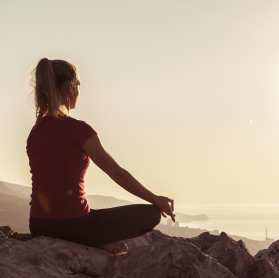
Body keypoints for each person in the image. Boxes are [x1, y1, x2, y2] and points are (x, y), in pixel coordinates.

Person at [26, 58, 175, 254]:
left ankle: (96, 240)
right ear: (71, 88)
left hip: (38, 225)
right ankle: (97, 242)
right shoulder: (80, 130)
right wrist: (156, 200)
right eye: (78, 85)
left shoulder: (35, 132)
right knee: (152, 214)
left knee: (92, 217)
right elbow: (115, 172)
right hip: (74, 226)